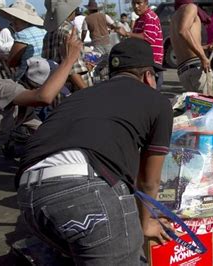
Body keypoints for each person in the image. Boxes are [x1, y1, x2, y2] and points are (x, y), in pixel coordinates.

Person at [16, 38, 173, 264]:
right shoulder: (157, 101)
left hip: (29, 194)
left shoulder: (82, 95)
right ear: (148, 76)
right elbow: (148, 181)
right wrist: (144, 223)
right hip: (85, 192)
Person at [0, 28, 82, 171]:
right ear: (40, 86)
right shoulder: (5, 88)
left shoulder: (27, 109)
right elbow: (43, 98)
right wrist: (68, 60)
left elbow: (44, 132)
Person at [170, 0, 213, 95]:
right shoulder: (191, 7)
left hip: (184, 71)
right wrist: (203, 57)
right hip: (196, 68)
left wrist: (206, 47)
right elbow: (183, 31)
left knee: (197, 108)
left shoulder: (175, 16)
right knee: (211, 108)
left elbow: (184, 44)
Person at [43, 0, 92, 91]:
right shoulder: (69, 31)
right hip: (75, 88)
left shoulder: (49, 33)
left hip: (59, 86)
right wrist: (87, 92)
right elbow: (73, 70)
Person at [0, 1, 46, 80]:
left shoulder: (22, 35)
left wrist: (6, 58)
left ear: (23, 20)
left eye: (15, 20)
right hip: (46, 75)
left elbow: (11, 63)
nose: (12, 23)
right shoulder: (44, 31)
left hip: (28, 77)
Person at [124, 0, 164, 90]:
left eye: (139, 3)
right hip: (143, 62)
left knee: (152, 95)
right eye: (134, 3)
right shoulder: (139, 20)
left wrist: (127, 34)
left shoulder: (150, 17)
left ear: (146, 3)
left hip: (152, 63)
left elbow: (148, 38)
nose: (136, 6)